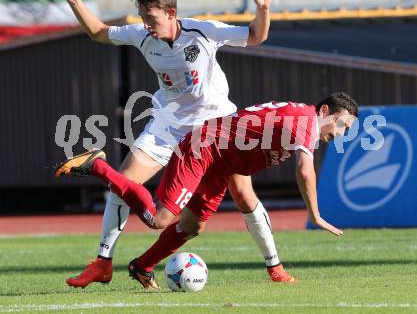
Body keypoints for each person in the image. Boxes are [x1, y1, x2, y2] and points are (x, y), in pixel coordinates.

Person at [54, 0, 292, 287]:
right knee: (123, 183)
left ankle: (274, 267)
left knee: (237, 200)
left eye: (151, 18)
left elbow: (256, 35)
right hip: (169, 125)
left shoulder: (203, 31)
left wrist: (262, 7)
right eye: (143, 18)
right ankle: (103, 262)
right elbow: (98, 32)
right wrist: (74, 1)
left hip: (216, 126)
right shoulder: (141, 36)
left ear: (171, 12)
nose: (146, 25)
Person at [55, 92, 359, 288]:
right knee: (160, 218)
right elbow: (305, 170)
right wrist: (315, 215)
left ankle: (142, 266)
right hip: (204, 149)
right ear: (324, 111)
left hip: (221, 162)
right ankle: (97, 166)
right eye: (342, 124)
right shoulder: (305, 121)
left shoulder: (301, 119)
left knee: (192, 226)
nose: (342, 133)